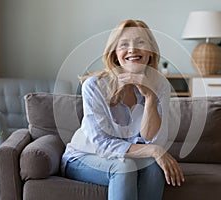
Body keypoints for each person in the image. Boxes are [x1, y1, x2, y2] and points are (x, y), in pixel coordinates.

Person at [62, 19, 184, 200]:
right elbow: (101, 144)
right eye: (124, 44)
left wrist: (150, 97)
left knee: (153, 166)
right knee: (124, 167)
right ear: (114, 54)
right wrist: (154, 151)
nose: (132, 49)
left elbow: (154, 140)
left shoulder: (161, 85)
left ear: (150, 51)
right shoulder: (94, 86)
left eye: (140, 42)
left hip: (131, 157)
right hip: (85, 156)